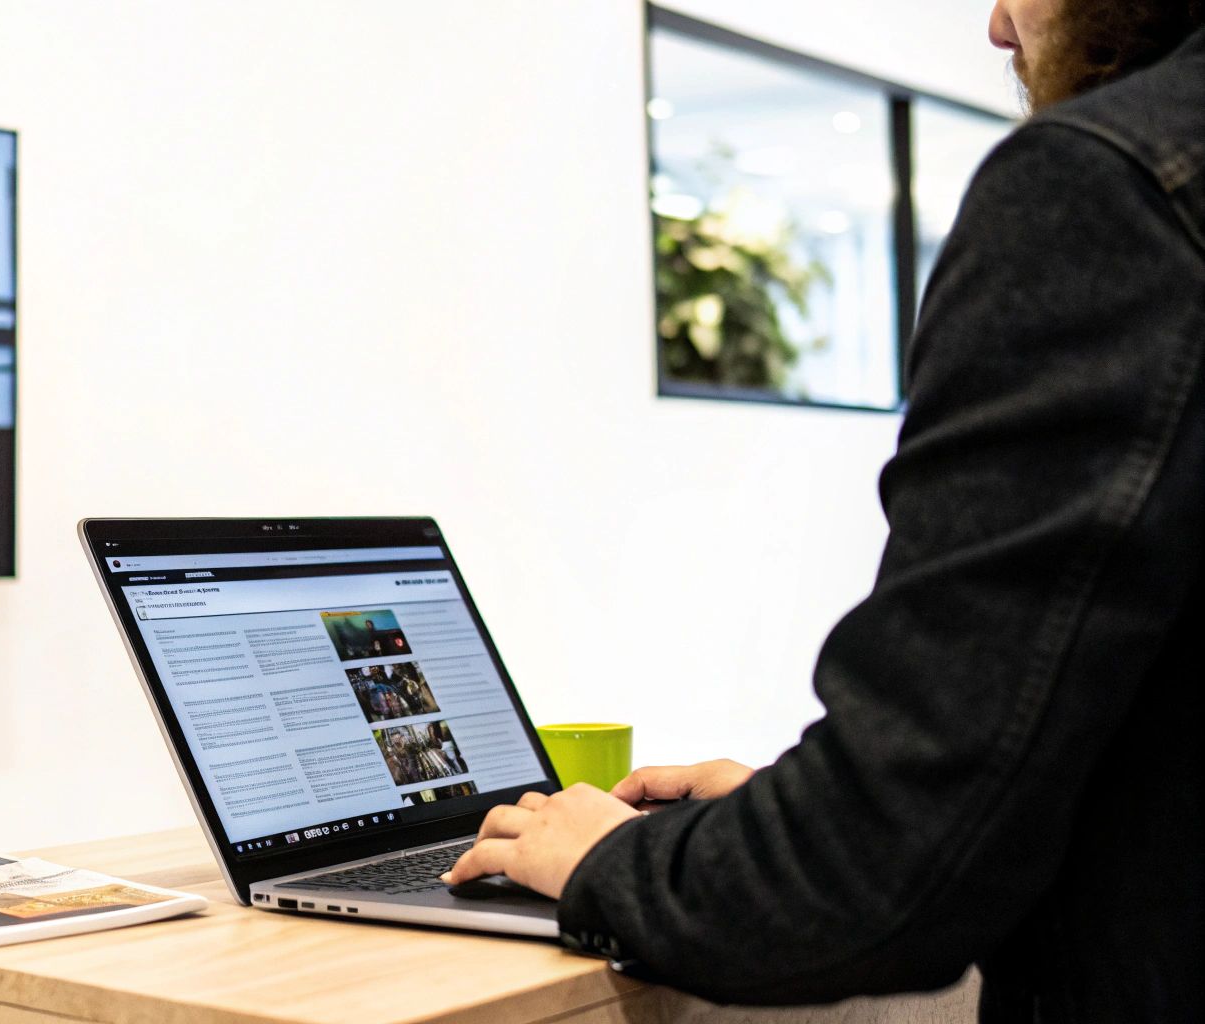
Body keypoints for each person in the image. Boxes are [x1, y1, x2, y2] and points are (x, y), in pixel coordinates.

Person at [445, 2, 1205, 1020]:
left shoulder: (1106, 184)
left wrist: (617, 859)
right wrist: (790, 814)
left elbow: (878, 878)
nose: (993, 25)